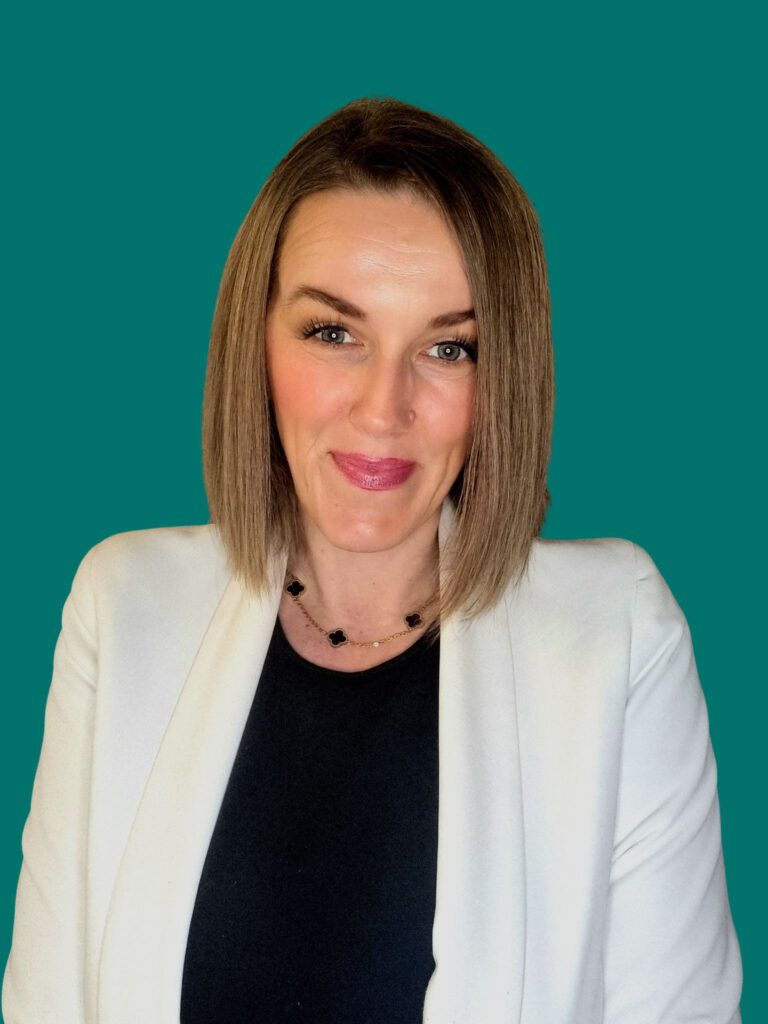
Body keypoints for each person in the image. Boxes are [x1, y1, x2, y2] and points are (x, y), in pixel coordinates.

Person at [2, 96, 743, 1024]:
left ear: (504, 377)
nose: (383, 409)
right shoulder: (123, 606)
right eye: (334, 333)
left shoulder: (617, 635)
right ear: (255, 342)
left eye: (448, 347)